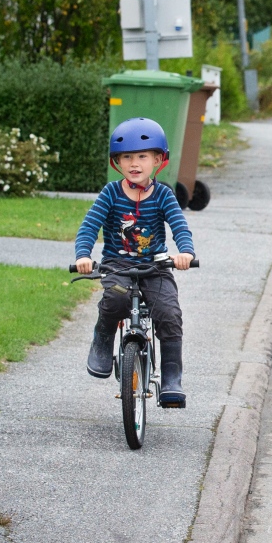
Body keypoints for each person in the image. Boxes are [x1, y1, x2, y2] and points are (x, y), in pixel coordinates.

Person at [75, 118, 196, 408]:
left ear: (157, 160)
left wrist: (185, 253)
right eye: (126, 157)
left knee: (168, 314)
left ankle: (171, 377)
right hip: (118, 266)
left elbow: (180, 226)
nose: (134, 163)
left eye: (142, 156)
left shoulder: (164, 195)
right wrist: (82, 255)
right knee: (115, 299)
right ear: (117, 162)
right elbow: (89, 226)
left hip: (156, 267)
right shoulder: (111, 194)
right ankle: (103, 339)